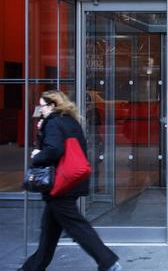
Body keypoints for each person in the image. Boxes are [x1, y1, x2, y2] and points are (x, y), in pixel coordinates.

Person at [20, 90, 122, 271]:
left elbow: (53, 150)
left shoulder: (53, 123)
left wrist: (37, 154)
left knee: (77, 227)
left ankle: (108, 262)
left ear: (52, 106)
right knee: (49, 233)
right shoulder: (70, 121)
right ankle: (31, 268)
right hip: (70, 182)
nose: (40, 110)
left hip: (60, 184)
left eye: (42, 106)